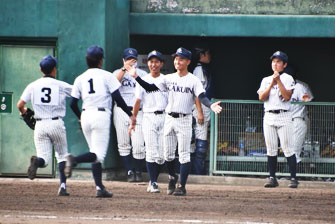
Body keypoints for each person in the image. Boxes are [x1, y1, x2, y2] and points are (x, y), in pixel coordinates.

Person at [127, 47, 222, 196]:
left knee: (184, 154)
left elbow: (201, 96)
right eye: (176, 58)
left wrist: (210, 105)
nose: (177, 61)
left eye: (181, 59)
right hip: (169, 118)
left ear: (188, 62)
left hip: (184, 119)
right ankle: (172, 177)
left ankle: (182, 186)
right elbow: (150, 88)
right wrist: (136, 77)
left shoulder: (193, 80)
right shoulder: (168, 78)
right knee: (168, 155)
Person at [65, 46, 135, 198]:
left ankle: (99, 187)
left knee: (93, 151)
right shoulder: (106, 75)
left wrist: (79, 117)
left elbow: (72, 103)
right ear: (101, 61)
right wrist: (130, 114)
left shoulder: (80, 77)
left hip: (85, 115)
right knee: (97, 155)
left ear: (87, 60)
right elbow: (118, 98)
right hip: (100, 115)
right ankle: (74, 160)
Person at [17, 55, 72, 196]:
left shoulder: (32, 85)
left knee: (44, 159)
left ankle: (37, 162)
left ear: (40, 69)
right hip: (56, 123)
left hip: (40, 125)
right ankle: (63, 187)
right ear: (54, 69)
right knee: (61, 156)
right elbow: (77, 93)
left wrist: (24, 113)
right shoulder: (61, 85)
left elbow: (20, 105)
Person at [257, 51, 298, 188]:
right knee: (271, 148)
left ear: (284, 65)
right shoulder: (265, 79)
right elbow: (261, 97)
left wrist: (278, 80)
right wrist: (271, 83)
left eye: (278, 62)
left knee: (287, 148)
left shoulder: (288, 78)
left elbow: (287, 96)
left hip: (284, 114)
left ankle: (293, 178)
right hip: (269, 114)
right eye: (273, 61)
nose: (275, 64)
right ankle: (272, 178)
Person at [131, 50, 168, 193]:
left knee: (162, 155)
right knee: (151, 151)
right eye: (151, 61)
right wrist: (133, 119)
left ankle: (154, 180)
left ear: (161, 63)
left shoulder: (166, 79)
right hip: (148, 116)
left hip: (164, 116)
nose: (154, 64)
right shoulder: (144, 79)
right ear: (148, 63)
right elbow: (137, 101)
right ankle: (153, 182)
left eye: (156, 61)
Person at [113, 48, 147, 182]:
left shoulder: (143, 73)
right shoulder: (117, 72)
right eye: (128, 59)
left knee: (139, 144)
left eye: (133, 59)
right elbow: (114, 84)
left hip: (138, 111)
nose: (131, 61)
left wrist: (134, 73)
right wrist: (124, 68)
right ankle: (129, 172)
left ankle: (138, 172)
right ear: (123, 60)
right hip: (121, 110)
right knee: (123, 143)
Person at [191, 46, 214, 175]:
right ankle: (197, 173)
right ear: (202, 55)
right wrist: (199, 111)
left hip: (205, 107)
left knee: (201, 139)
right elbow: (197, 94)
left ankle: (198, 171)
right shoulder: (198, 69)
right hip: (201, 107)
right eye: (207, 54)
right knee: (200, 141)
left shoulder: (202, 68)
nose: (209, 56)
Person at [286, 67, 313, 163]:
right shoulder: (281, 87)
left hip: (298, 120)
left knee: (295, 151)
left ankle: (298, 174)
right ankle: (295, 173)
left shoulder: (300, 87)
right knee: (289, 151)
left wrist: (308, 114)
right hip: (286, 122)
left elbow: (310, 101)